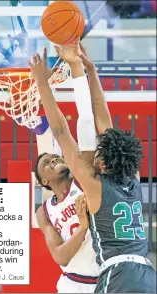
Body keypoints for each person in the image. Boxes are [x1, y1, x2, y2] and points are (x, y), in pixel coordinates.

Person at [28, 42, 156, 293]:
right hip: (147, 272)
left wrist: (42, 82)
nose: (95, 153)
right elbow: (103, 121)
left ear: (104, 162)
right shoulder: (132, 177)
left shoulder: (94, 185)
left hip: (118, 275)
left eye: (98, 154)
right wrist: (91, 71)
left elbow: (61, 131)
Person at [35, 49, 102, 293]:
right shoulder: (44, 212)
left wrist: (76, 70)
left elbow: (75, 125)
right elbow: (60, 256)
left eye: (54, 157)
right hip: (73, 283)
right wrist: (83, 227)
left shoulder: (83, 181)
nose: (53, 159)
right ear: (44, 181)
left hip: (106, 279)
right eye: (47, 164)